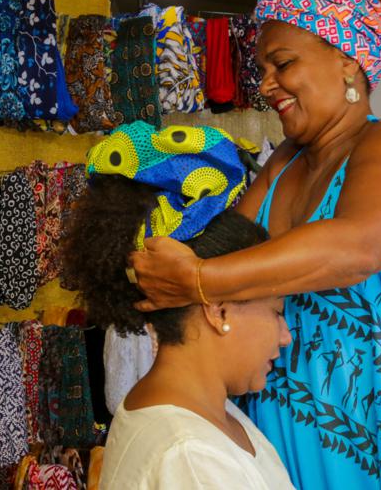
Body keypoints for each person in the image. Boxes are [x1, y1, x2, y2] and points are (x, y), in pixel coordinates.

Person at [128, 0, 381, 489]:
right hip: (277, 431)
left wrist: (196, 279)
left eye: (283, 64)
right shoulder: (285, 161)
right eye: (261, 68)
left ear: (348, 60)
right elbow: (230, 249)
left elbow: (359, 247)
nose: (265, 85)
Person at [60, 122, 295, 489]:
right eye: (277, 312)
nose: (285, 336)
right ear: (219, 310)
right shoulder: (192, 458)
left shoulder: (205, 418)